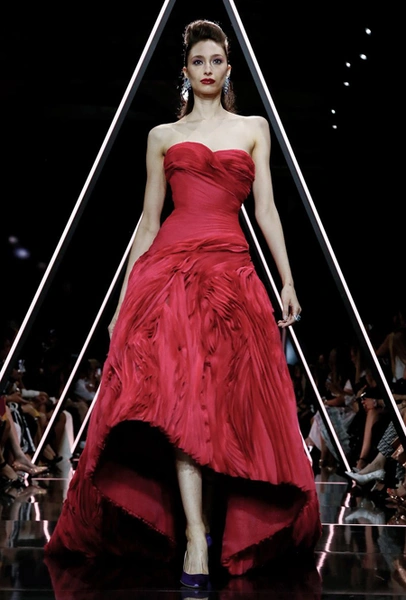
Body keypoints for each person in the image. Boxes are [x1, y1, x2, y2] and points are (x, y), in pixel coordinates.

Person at [44, 19, 321, 587]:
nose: (208, 69)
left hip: (233, 275)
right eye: (199, 61)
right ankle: (195, 533)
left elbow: (266, 210)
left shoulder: (254, 128)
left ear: (228, 69)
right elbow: (148, 223)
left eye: (216, 60)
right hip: (170, 276)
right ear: (187, 71)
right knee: (183, 404)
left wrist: (288, 281)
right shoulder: (162, 136)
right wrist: (124, 301)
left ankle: (212, 524)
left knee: (225, 406)